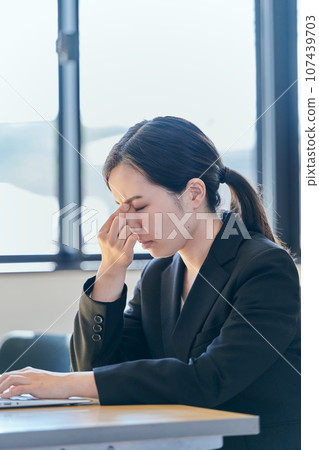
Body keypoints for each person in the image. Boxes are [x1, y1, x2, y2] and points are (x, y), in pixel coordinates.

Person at [0, 116, 300, 449]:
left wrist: (64, 383)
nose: (126, 222)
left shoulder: (265, 267)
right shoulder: (159, 274)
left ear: (194, 193)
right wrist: (110, 272)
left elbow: (208, 379)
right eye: (119, 207)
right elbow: (98, 369)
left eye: (138, 206)